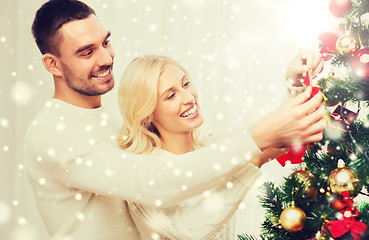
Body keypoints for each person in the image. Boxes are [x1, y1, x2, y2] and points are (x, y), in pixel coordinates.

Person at [24, 0, 326, 239]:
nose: (105, 59)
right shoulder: (53, 135)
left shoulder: (112, 122)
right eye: (86, 52)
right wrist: (256, 142)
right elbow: (155, 184)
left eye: (105, 43)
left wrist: (295, 84)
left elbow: (197, 163)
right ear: (53, 64)